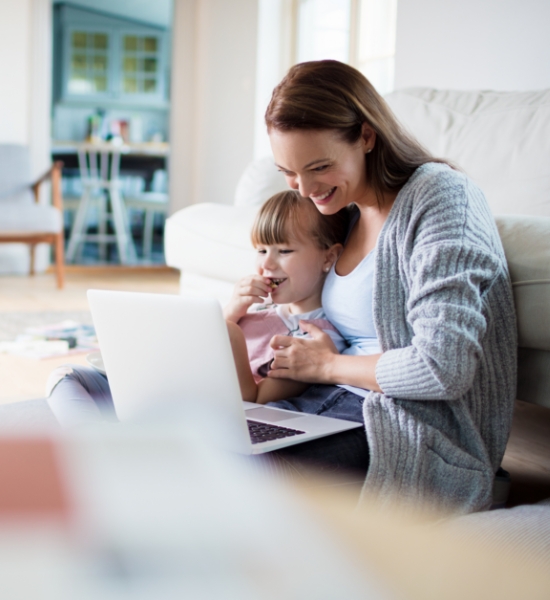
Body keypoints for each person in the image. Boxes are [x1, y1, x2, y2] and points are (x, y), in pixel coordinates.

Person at [256, 60, 517, 514]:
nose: (304, 189)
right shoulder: (346, 213)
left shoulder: (441, 198)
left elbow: (444, 366)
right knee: (195, 447)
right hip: (326, 402)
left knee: (247, 479)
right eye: (288, 172)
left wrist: (327, 367)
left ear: (367, 136)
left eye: (318, 167)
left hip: (408, 426)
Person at [224, 190, 349, 404]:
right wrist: (231, 311)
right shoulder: (258, 309)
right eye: (262, 251)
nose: (266, 264)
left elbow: (257, 399)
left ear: (328, 257)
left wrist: (228, 329)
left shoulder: (320, 339)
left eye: (284, 251)